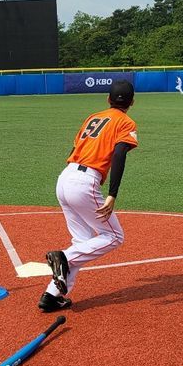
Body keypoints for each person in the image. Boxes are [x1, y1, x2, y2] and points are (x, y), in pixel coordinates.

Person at [40, 79, 139, 312]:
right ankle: (62, 256)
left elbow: (74, 150)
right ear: (132, 102)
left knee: (83, 243)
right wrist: (112, 193)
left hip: (65, 176)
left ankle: (52, 295)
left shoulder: (93, 117)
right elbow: (119, 154)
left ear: (107, 99)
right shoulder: (126, 122)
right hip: (85, 182)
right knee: (114, 236)